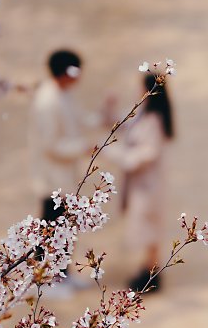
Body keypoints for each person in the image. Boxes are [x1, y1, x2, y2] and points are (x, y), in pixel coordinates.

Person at [29, 49, 111, 291]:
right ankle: (45, 279)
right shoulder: (47, 101)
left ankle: (63, 272)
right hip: (51, 175)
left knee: (65, 226)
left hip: (65, 174)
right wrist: (83, 147)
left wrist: (102, 116)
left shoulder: (64, 94)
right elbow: (50, 145)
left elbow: (81, 119)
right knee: (51, 227)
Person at [116, 72, 174, 292]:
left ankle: (151, 272)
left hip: (149, 185)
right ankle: (150, 269)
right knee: (147, 227)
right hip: (141, 183)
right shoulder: (143, 114)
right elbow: (122, 123)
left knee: (149, 228)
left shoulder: (154, 120)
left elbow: (147, 154)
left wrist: (120, 156)